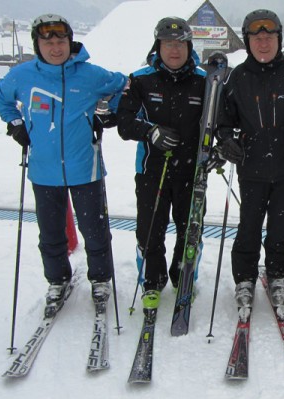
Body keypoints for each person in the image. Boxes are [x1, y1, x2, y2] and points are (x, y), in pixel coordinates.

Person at [0, 14, 127, 313]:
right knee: (51, 232)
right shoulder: (22, 75)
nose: (55, 48)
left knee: (94, 230)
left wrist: (109, 113)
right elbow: (0, 96)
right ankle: (57, 279)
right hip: (43, 169)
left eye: (61, 41)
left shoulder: (90, 74)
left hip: (85, 168)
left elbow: (124, 85)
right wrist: (15, 124)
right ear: (37, 45)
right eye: (48, 42)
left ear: (70, 42)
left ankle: (101, 278)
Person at [215, 9, 284, 319]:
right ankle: (245, 277)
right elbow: (222, 120)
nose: (263, 42)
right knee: (248, 226)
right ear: (247, 41)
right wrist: (226, 140)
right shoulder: (236, 77)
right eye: (256, 37)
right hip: (251, 166)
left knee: (281, 226)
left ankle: (277, 274)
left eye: (269, 36)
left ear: (279, 39)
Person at [116, 17, 207, 310]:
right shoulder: (141, 79)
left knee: (189, 229)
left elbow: (220, 120)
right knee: (150, 229)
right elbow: (124, 123)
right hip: (152, 170)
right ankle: (152, 283)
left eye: (180, 44)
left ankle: (184, 277)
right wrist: (150, 131)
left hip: (192, 170)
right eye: (168, 44)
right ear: (159, 45)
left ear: (189, 46)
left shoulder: (205, 80)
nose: (174, 50)